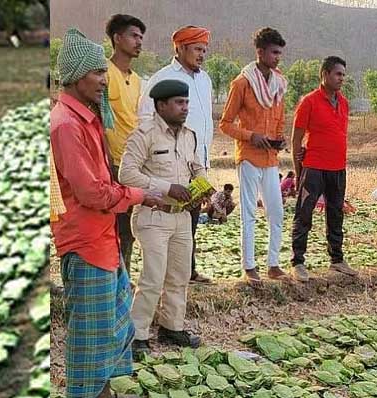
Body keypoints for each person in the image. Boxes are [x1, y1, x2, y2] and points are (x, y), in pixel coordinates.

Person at [51, 28, 162, 398]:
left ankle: (100, 393)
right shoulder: (67, 125)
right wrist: (141, 194)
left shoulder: (87, 118)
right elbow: (93, 192)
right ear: (77, 75)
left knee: (114, 317)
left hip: (102, 237)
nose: (104, 80)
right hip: (85, 240)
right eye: (98, 72)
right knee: (89, 328)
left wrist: (133, 195)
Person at [120, 78, 205, 355]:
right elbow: (126, 174)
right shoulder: (144, 134)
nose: (185, 108)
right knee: (153, 277)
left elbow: (197, 167)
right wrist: (167, 188)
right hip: (153, 215)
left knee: (179, 276)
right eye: (179, 103)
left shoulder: (190, 135)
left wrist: (204, 187)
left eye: (187, 102)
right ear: (161, 105)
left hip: (182, 216)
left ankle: (172, 327)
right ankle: (137, 335)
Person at [138, 26, 214, 284]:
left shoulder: (205, 80)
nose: (202, 55)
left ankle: (187, 272)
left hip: (197, 162)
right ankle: (160, 276)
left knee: (189, 218)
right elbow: (145, 120)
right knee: (165, 218)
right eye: (197, 49)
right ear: (180, 48)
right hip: (167, 164)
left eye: (204, 50)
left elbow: (204, 123)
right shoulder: (162, 78)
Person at [219, 27, 289, 284]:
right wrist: (250, 136)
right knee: (248, 212)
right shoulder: (242, 83)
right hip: (248, 156)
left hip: (270, 158)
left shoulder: (279, 83)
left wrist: (279, 139)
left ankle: (273, 264)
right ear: (260, 52)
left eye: (279, 53)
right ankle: (249, 266)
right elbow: (225, 124)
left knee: (276, 212)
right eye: (273, 53)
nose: (277, 58)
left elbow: (279, 120)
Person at [290, 56, 358, 281]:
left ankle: (337, 260)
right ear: (325, 74)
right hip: (314, 167)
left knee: (336, 214)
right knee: (304, 214)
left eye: (343, 75)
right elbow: (296, 139)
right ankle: (298, 262)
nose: (341, 78)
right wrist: (299, 171)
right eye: (338, 74)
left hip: (338, 168)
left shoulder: (344, 103)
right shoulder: (309, 101)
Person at [104, 14, 147, 270]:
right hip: (110, 162)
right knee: (111, 227)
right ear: (117, 38)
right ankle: (113, 278)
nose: (139, 41)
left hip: (132, 163)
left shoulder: (138, 80)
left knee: (128, 228)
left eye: (141, 37)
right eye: (134, 36)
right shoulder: (103, 73)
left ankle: (124, 277)